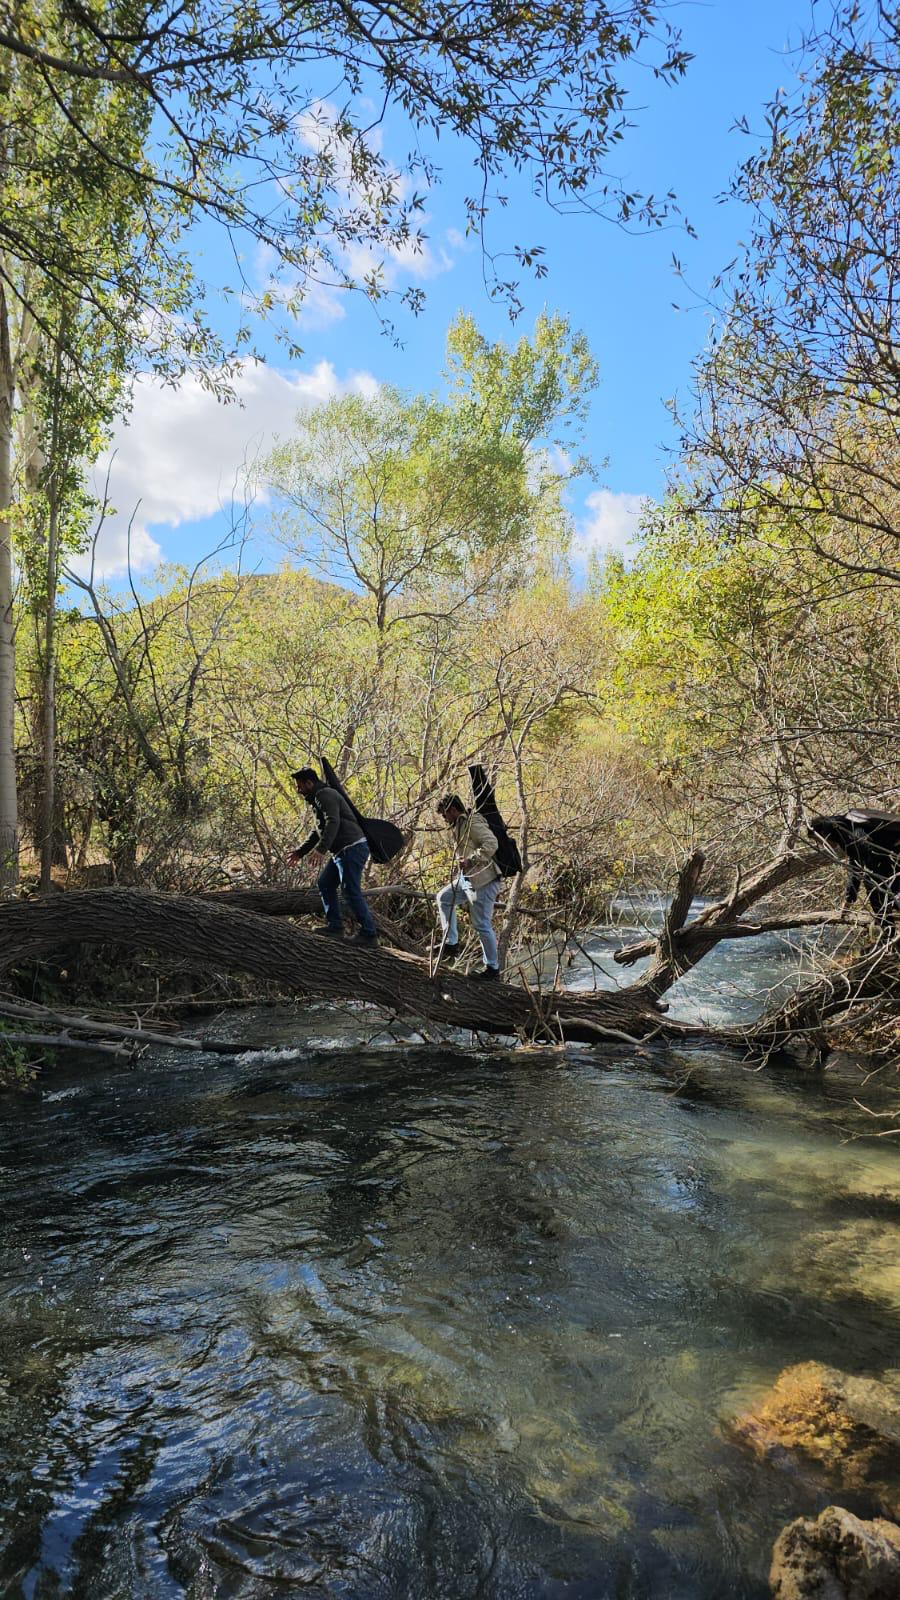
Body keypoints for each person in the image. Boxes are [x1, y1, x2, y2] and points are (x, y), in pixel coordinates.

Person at [287, 767, 378, 945]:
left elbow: (333, 821)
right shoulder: (317, 799)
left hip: (352, 848)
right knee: (325, 884)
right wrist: (300, 852)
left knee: (350, 891)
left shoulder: (324, 795)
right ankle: (335, 927)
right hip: (342, 851)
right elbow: (318, 831)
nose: (298, 790)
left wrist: (321, 850)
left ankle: (369, 934)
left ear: (309, 783)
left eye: (300, 786)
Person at [435, 793, 502, 980]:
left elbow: (491, 843)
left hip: (484, 880)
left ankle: (493, 969)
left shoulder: (471, 823)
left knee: (481, 924)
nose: (444, 818)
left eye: (444, 814)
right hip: (468, 879)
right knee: (444, 898)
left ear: (453, 810)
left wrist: (471, 860)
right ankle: (451, 943)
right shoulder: (458, 825)